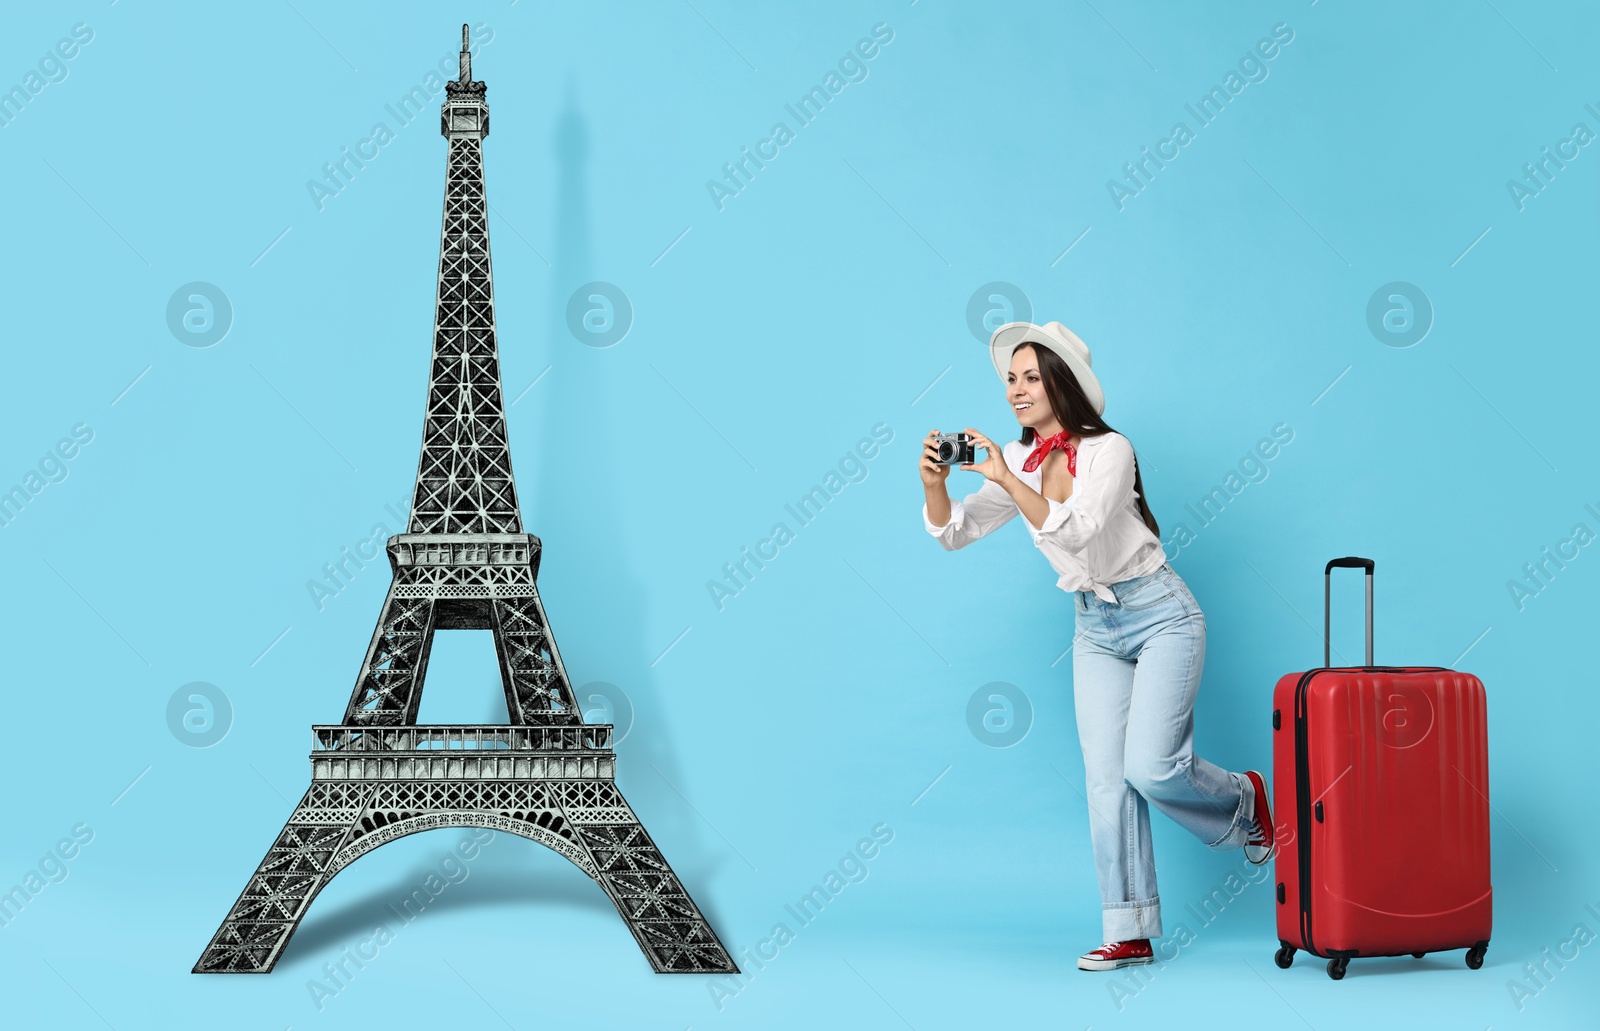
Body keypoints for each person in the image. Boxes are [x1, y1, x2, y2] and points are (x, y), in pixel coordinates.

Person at [918, 320, 1275, 972]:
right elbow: (955, 532)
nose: (1016, 390)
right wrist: (937, 484)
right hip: (1094, 628)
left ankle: (1243, 799)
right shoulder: (1021, 458)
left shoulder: (1111, 450)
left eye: (1030, 377)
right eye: (1010, 380)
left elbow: (1079, 531)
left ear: (1062, 383)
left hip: (1161, 614)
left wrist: (1003, 471)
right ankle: (1130, 930)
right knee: (1107, 780)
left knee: (1152, 767)